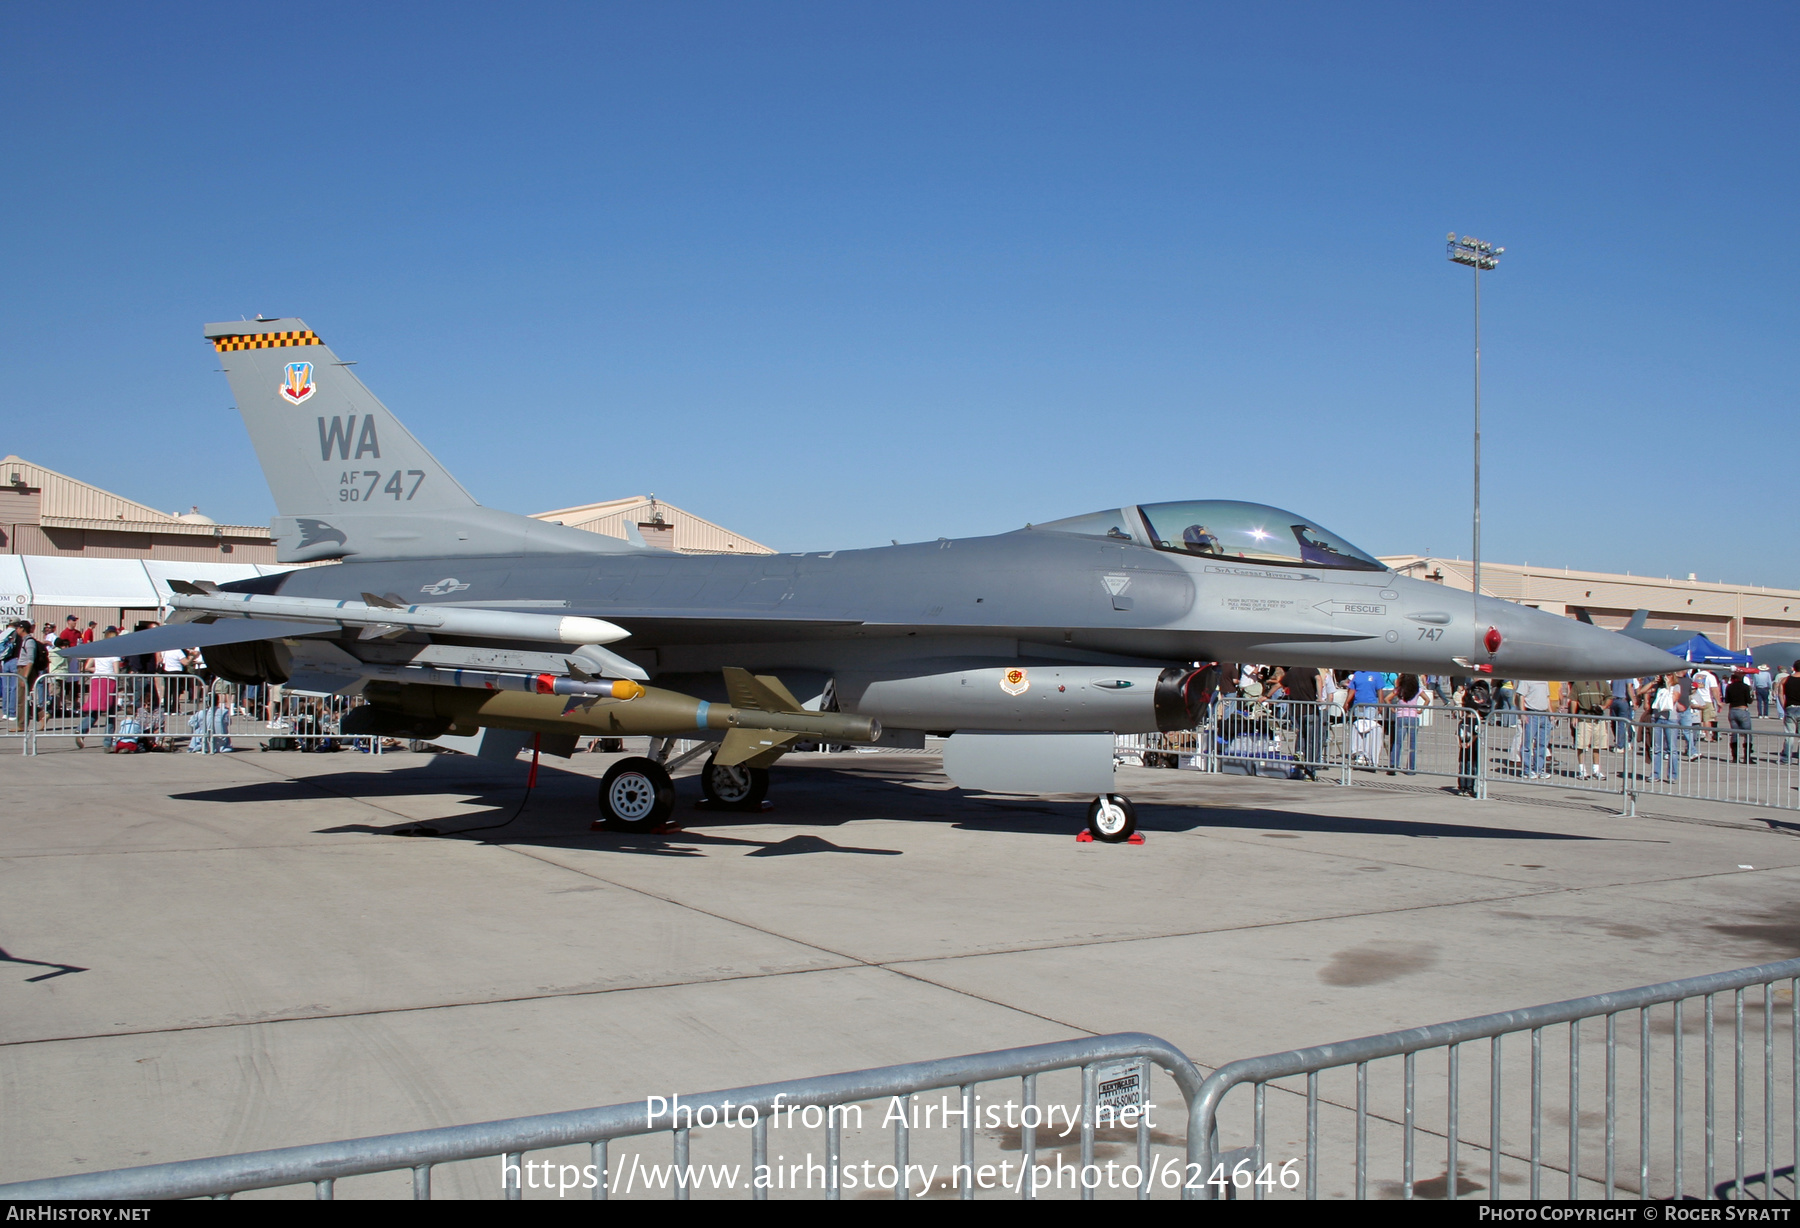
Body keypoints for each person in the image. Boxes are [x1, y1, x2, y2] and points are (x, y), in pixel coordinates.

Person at [1566, 677, 1611, 780]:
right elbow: (1574, 700)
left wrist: (1603, 707)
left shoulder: (1602, 683)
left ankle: (1596, 770)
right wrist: (1573, 716)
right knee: (1581, 745)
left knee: (1598, 744)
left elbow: (1609, 697)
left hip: (1598, 718)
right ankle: (1582, 770)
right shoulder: (1578, 683)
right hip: (1584, 717)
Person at [1283, 664, 1322, 780]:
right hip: (1310, 710)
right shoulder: (1312, 668)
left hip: (1297, 711)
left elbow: (1280, 684)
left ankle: (1299, 755)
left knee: (1301, 736)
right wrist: (1319, 697)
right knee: (1311, 741)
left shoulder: (1292, 671)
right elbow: (1318, 679)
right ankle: (1310, 770)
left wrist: (1266, 696)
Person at [1456, 677, 1493, 796]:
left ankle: (1470, 786)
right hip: (1465, 742)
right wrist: (1460, 742)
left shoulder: (1475, 721)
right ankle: (1463, 786)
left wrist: (1470, 742)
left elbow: (1476, 733)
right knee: (1463, 763)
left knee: (1472, 764)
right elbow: (1457, 732)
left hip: (1472, 742)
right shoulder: (1464, 720)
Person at [1646, 674, 1685, 783]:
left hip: (1670, 719)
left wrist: (1668, 686)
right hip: (1657, 718)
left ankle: (1672, 775)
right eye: (1664, 675)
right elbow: (1641, 691)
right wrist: (1653, 682)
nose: (1665, 677)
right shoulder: (1659, 687)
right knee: (1656, 748)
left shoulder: (1676, 686)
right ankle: (1655, 774)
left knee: (1672, 749)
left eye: (1668, 675)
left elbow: (1672, 700)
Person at [1388, 674, 1425, 775]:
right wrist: (1421, 709)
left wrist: (1392, 708)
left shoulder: (1399, 689)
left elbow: (1388, 698)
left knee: (1398, 742)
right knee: (1412, 743)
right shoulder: (1417, 690)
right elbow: (1427, 699)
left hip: (1401, 716)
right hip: (1413, 716)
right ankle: (1411, 768)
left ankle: (1393, 765)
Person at [1516, 679, 1552, 779]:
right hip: (1531, 713)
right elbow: (1521, 697)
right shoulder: (1526, 680)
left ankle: (1539, 770)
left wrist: (1551, 713)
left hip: (1544, 714)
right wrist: (1523, 713)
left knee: (1542, 744)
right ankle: (1527, 770)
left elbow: (1547, 697)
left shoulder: (1544, 681)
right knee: (1527, 744)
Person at [1724, 670, 1756, 764]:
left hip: (1732, 710)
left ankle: (1735, 757)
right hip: (1742, 710)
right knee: (1747, 734)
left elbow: (1727, 700)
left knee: (1735, 734)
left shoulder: (1729, 687)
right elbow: (1749, 701)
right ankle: (1747, 757)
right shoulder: (1745, 687)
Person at [1608, 676, 1638, 751]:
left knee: (1614, 722)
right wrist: (1634, 701)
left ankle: (1618, 741)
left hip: (1614, 699)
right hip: (1623, 700)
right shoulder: (1628, 675)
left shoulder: (1616, 674)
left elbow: (1611, 685)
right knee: (1622, 723)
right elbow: (1629, 687)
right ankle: (1620, 745)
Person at [1782, 661, 1800, 767]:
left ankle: (1786, 759)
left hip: (1790, 707)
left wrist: (1783, 705)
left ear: (1794, 668)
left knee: (1789, 735)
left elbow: (1780, 693)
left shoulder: (1786, 679)